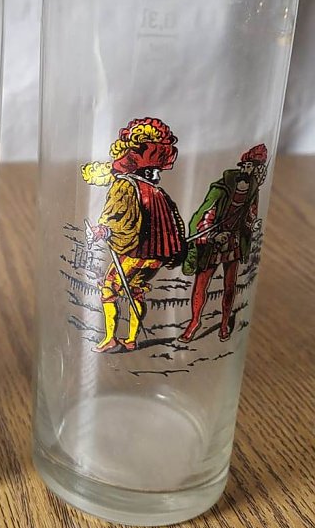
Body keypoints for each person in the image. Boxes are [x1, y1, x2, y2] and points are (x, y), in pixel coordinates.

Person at [82, 117, 186, 353]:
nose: (157, 175)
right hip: (156, 257)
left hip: (135, 254)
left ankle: (110, 338)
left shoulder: (127, 186)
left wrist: (102, 230)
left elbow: (119, 219)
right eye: (155, 170)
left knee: (109, 287)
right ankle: (130, 339)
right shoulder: (159, 193)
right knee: (135, 290)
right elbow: (175, 225)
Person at [179, 144, 268, 342]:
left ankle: (225, 323)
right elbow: (205, 213)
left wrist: (251, 224)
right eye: (250, 165)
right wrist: (212, 236)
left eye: (256, 167)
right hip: (213, 242)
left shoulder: (254, 190)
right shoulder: (222, 187)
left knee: (230, 285)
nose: (253, 170)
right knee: (201, 284)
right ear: (244, 166)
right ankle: (194, 322)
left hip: (233, 242)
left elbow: (250, 215)